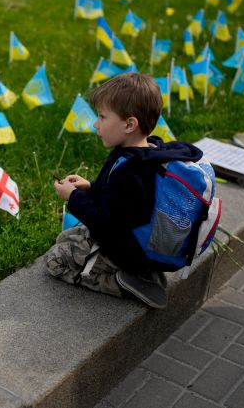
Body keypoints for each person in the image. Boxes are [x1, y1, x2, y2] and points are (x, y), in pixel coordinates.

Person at [46, 73, 203, 308]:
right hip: (136, 244)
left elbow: (107, 225)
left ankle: (123, 282)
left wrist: (73, 198)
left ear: (130, 124)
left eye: (102, 116)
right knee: (66, 238)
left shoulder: (131, 172)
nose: (95, 124)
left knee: (56, 259)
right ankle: (143, 272)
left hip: (126, 251)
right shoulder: (146, 154)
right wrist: (89, 187)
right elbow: (121, 203)